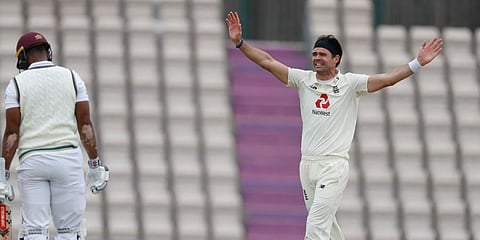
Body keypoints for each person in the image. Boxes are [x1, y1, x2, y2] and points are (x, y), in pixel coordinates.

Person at [226, 11, 443, 240]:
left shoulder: (350, 84)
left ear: (336, 58)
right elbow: (267, 62)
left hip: (333, 166)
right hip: (307, 165)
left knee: (315, 227)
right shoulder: (303, 80)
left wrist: (417, 63)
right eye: (314, 54)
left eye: (322, 54)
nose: (316, 58)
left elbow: (388, 78)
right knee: (327, 227)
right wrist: (240, 43)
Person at [0, 31, 110, 240]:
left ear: (23, 57)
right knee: (70, 233)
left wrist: (2, 175)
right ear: (48, 52)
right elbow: (85, 125)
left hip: (33, 162)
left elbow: (12, 133)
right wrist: (95, 164)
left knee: (34, 232)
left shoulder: (16, 84)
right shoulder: (72, 77)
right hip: (67, 161)